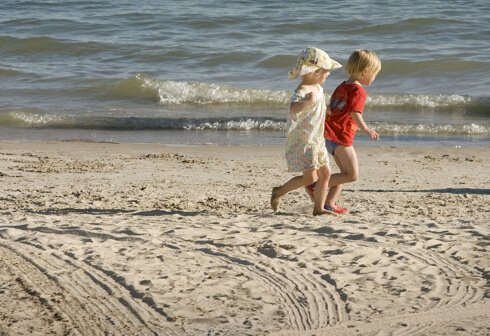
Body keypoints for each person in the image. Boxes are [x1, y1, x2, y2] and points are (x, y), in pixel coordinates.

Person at [271, 47, 341, 215]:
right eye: (326, 71)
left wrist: (327, 110)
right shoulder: (301, 91)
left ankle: (318, 209)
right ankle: (278, 192)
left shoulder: (318, 88)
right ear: (315, 72)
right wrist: (306, 103)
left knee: (326, 173)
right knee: (310, 178)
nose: (328, 74)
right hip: (305, 140)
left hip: (317, 139)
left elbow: (318, 107)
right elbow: (293, 108)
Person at [317, 49, 381, 214]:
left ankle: (329, 203)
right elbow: (355, 112)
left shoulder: (342, 86)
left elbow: (331, 108)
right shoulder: (358, 91)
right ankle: (318, 184)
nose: (374, 78)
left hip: (329, 136)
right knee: (352, 175)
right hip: (341, 138)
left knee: (343, 173)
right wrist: (366, 128)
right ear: (365, 72)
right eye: (374, 74)